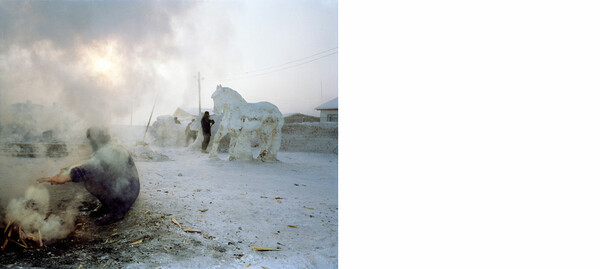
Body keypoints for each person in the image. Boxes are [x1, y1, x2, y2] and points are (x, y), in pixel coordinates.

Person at [38, 127, 140, 226]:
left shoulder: (111, 151)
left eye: (91, 140)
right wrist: (66, 171)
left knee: (91, 180)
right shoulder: (109, 147)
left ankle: (117, 212)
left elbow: (91, 167)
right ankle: (107, 207)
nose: (90, 143)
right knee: (90, 178)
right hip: (125, 191)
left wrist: (65, 177)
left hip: (126, 194)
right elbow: (89, 162)